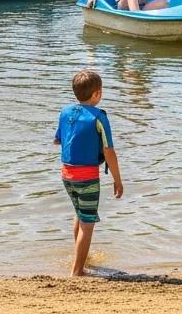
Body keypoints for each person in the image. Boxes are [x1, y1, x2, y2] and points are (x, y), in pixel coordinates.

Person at [53, 69, 123, 277]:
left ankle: (82, 258)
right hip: (87, 176)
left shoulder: (65, 112)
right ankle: (77, 271)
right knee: (87, 223)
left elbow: (58, 140)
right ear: (97, 93)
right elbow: (109, 151)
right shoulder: (99, 117)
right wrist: (117, 180)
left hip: (67, 174)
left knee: (80, 213)